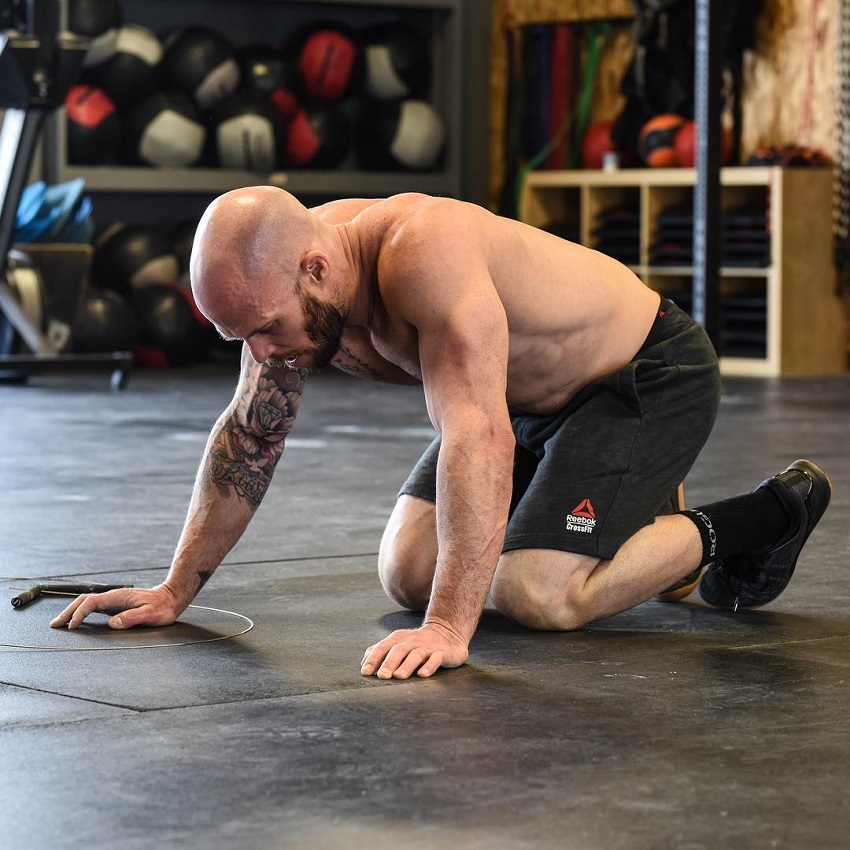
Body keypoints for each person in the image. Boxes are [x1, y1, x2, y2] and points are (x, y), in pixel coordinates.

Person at [50, 188, 832, 680]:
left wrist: (451, 630)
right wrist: (175, 589)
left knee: (536, 594)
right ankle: (634, 518)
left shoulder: (422, 254)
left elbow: (480, 438)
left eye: (263, 330)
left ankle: (768, 515)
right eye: (239, 338)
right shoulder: (289, 299)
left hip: (642, 375)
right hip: (529, 402)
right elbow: (250, 437)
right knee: (407, 570)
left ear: (316, 270)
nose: (261, 355)